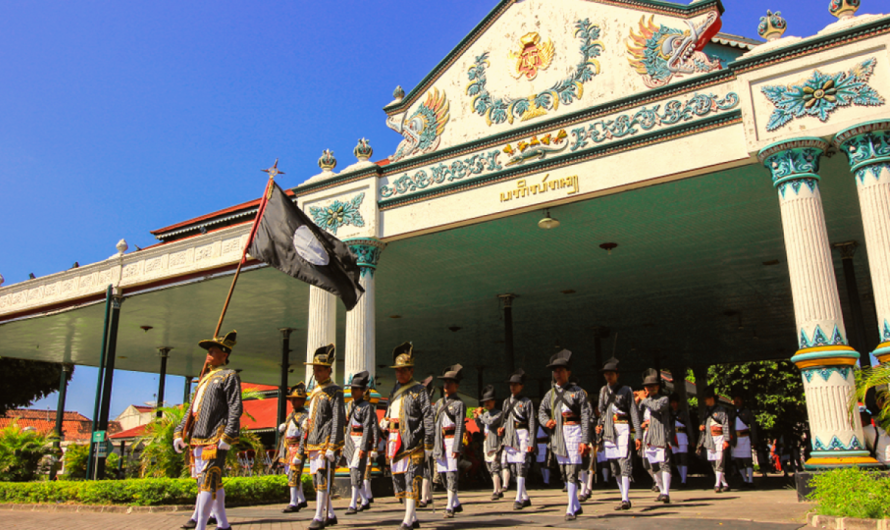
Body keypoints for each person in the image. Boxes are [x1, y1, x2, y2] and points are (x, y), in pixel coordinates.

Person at [174, 331, 242, 530]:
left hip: (215, 436)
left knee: (207, 480)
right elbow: (192, 408)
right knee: (212, 482)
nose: (209, 355)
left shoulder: (229, 376)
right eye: (208, 351)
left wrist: (228, 435)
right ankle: (223, 524)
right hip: (197, 436)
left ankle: (201, 525)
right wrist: (179, 432)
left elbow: (235, 407)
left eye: (213, 351)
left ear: (224, 354)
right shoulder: (204, 379)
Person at [382, 342, 434, 530]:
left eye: (403, 371)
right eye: (397, 371)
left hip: (413, 442)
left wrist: (428, 444)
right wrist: (385, 422)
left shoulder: (419, 391)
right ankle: (411, 517)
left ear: (411, 371)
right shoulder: (394, 391)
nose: (399, 374)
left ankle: (407, 519)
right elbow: (390, 412)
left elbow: (428, 417)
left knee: (412, 479)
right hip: (395, 441)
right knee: (399, 480)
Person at [539, 349, 591, 521]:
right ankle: (576, 503)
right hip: (559, 436)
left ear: (568, 372)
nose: (557, 373)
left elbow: (585, 416)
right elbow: (541, 412)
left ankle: (570, 507)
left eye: (561, 370)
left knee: (572, 470)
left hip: (574, 432)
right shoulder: (550, 394)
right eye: (555, 371)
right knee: (564, 470)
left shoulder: (578, 392)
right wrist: (546, 421)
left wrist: (585, 439)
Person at [303, 345, 346, 530]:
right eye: (315, 369)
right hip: (312, 441)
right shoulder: (315, 391)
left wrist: (333, 445)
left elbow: (338, 419)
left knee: (323, 478)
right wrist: (306, 422)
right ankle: (330, 514)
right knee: (316, 480)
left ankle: (319, 515)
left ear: (329, 369)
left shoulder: (335, 391)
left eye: (320, 369)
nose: (316, 372)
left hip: (325, 441)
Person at [596, 357, 642, 511]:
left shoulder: (626, 390)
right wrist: (599, 427)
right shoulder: (603, 391)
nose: (609, 376)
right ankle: (622, 496)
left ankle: (626, 498)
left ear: (617, 374)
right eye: (606, 374)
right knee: (614, 465)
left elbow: (634, 413)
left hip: (622, 427)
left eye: (611, 374)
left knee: (624, 460)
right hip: (609, 428)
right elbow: (601, 412)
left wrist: (638, 435)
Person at [499, 368, 537, 510]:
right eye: (511, 384)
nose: (513, 387)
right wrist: (502, 428)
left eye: (515, 384)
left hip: (522, 434)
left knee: (521, 466)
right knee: (514, 468)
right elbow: (504, 418)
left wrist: (532, 441)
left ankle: (518, 498)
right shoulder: (506, 402)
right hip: (510, 435)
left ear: (521, 386)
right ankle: (525, 497)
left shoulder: (526, 402)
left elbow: (532, 422)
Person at [434, 364, 467, 518]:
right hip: (440, 441)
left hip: (452, 438)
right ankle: (456, 501)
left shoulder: (459, 404)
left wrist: (457, 446)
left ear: (456, 385)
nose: (446, 385)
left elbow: (460, 426)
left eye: (449, 382)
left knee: (452, 473)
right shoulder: (439, 403)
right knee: (442, 474)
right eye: (445, 382)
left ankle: (449, 506)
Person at [636, 371, 673, 504]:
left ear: (658, 386)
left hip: (660, 435)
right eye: (647, 386)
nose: (650, 388)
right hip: (648, 436)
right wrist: (636, 402)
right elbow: (637, 415)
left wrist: (644, 399)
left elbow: (657, 407)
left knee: (664, 463)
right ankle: (661, 488)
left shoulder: (663, 399)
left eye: (653, 386)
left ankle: (666, 492)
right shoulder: (644, 402)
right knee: (650, 464)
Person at [344, 371, 376, 515]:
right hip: (350, 440)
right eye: (352, 388)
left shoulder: (367, 407)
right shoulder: (350, 405)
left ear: (362, 391)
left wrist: (364, 447)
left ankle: (353, 503)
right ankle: (364, 500)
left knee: (357, 470)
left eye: (356, 389)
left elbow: (368, 427)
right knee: (352, 470)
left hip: (359, 440)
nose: (353, 391)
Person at [278, 382, 309, 513]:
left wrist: (300, 453)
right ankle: (301, 499)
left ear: (302, 401)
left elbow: (304, 435)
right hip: (287, 447)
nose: (292, 401)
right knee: (291, 474)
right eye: (292, 399)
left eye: (295, 399)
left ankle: (293, 502)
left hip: (297, 447)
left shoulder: (304, 416)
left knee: (294, 474)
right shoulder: (291, 415)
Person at [473, 384, 504, 501]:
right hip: (486, 443)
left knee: (495, 467)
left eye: (489, 401)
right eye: (485, 401)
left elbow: (490, 422)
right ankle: (498, 488)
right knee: (489, 468)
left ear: (494, 401)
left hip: (495, 443)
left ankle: (496, 490)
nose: (486, 403)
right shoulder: (485, 414)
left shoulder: (499, 414)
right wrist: (477, 418)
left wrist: (480, 415)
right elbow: (482, 427)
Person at [698, 387, 731, 493]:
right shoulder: (706, 411)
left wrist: (727, 439)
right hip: (710, 438)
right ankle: (725, 483)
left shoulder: (721, 410)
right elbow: (704, 423)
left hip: (720, 437)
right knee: (713, 461)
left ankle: (717, 484)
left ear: (711, 398)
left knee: (720, 461)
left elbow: (725, 425)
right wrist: (702, 427)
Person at [730, 387, 759, 489]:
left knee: (747, 460)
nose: (736, 401)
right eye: (735, 399)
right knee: (738, 460)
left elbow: (753, 426)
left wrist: (754, 440)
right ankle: (744, 479)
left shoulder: (747, 412)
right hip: (736, 439)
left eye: (738, 399)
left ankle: (750, 480)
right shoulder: (732, 412)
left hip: (745, 438)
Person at [668, 393, 691, 488]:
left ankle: (684, 480)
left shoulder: (683, 414)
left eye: (675, 402)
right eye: (672, 403)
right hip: (673, 437)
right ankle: (682, 477)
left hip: (682, 436)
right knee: (677, 459)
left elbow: (689, 426)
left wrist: (691, 438)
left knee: (683, 458)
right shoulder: (669, 414)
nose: (673, 404)